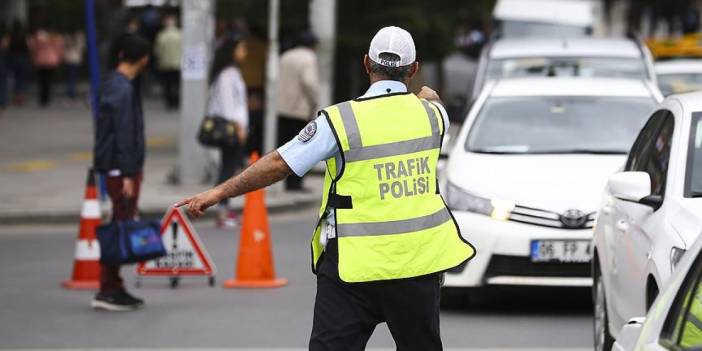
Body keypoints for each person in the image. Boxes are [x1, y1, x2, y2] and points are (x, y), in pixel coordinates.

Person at [177, 26, 476, 350]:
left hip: (352, 267)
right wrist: (426, 94)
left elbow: (279, 164)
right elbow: (432, 98)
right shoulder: (434, 116)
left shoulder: (340, 121)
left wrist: (219, 193)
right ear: (414, 69)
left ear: (366, 64)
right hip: (417, 265)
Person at [92, 34, 150, 311]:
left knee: (120, 223)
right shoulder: (123, 89)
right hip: (121, 169)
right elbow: (125, 134)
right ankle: (108, 288)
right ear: (143, 59)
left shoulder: (113, 82)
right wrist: (129, 173)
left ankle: (113, 285)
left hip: (117, 167)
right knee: (119, 226)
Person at [206, 37, 249, 228]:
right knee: (227, 169)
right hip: (231, 129)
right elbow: (227, 105)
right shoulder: (226, 75)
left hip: (236, 128)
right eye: (241, 48)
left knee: (230, 168)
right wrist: (238, 127)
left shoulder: (232, 72)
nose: (244, 53)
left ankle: (225, 208)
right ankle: (222, 210)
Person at [276, 31, 319, 191]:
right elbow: (309, 82)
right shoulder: (309, 58)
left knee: (286, 147)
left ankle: (287, 182)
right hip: (299, 109)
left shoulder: (285, 56)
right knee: (301, 148)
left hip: (282, 108)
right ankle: (296, 184)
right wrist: (314, 102)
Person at [28, 27, 63, 107]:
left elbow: (32, 47)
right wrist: (59, 58)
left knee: (41, 81)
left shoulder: (37, 38)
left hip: (40, 61)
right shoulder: (55, 38)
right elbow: (59, 49)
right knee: (48, 81)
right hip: (51, 61)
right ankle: (47, 98)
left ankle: (42, 98)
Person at [154, 15, 181, 109]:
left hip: (166, 64)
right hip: (178, 64)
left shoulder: (162, 35)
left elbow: (158, 51)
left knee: (167, 84)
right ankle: (176, 101)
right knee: (177, 84)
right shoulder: (180, 34)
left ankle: (169, 101)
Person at [7, 20, 29, 106]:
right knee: (21, 78)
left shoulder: (11, 35)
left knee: (14, 77)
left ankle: (15, 95)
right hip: (22, 58)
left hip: (13, 58)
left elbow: (7, 47)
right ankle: (19, 96)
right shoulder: (24, 35)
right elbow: (27, 47)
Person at [63, 29, 85, 105]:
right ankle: (71, 95)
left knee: (70, 78)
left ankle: (71, 95)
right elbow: (82, 48)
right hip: (75, 60)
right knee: (73, 79)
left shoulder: (67, 38)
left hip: (69, 59)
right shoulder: (79, 38)